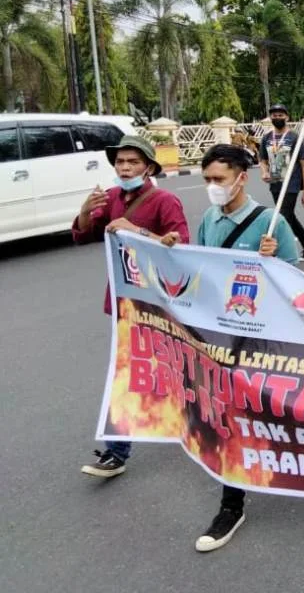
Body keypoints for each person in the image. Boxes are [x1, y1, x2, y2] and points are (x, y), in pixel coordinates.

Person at [184, 144, 299, 552]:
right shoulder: (209, 219)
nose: (213, 186)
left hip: (259, 337)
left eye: (219, 178)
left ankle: (296, 458)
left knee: (264, 406)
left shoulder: (270, 222)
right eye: (208, 179)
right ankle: (231, 505)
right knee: (226, 413)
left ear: (241, 178)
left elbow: (295, 280)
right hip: (218, 337)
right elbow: (198, 269)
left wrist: (274, 260)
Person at [76, 135, 190, 479]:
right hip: (124, 300)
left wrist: (136, 230)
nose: (124, 168)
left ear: (149, 168)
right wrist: (85, 211)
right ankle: (117, 451)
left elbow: (182, 249)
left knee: (161, 368)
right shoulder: (111, 197)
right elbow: (84, 234)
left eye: (133, 162)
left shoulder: (165, 201)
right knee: (127, 371)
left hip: (158, 302)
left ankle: (201, 415)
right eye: (120, 162)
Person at [259, 102, 304, 260]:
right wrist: (264, 172)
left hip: (291, 184)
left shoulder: (295, 137)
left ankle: (278, 251)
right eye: (274, 115)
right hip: (275, 183)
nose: (277, 117)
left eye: (280, 115)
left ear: (287, 117)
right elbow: (262, 160)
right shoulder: (267, 138)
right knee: (288, 216)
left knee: (282, 217)